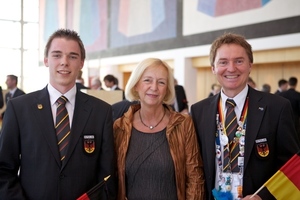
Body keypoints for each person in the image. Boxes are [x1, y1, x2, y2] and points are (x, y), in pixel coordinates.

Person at [0, 29, 116, 200]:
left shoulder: (101, 112)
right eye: (57, 55)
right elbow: (4, 170)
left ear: (81, 63)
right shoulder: (19, 109)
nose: (64, 62)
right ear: (46, 60)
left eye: (73, 56)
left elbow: (107, 176)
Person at [191, 33, 299, 200]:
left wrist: (263, 197)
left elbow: (292, 168)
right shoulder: (199, 111)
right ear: (213, 68)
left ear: (250, 65)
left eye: (239, 61)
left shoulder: (277, 107)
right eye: (223, 62)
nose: (231, 68)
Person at [113, 58, 205, 199]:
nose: (154, 87)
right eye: (147, 80)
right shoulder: (119, 127)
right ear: (136, 85)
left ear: (167, 89)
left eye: (161, 82)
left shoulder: (183, 124)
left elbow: (195, 178)